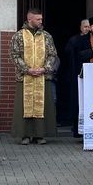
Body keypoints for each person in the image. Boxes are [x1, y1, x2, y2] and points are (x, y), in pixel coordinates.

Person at [10, 8, 58, 145]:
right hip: (25, 78)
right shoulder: (19, 36)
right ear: (30, 19)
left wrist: (44, 68)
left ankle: (40, 135)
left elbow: (52, 54)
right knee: (24, 107)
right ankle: (25, 135)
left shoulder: (46, 36)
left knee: (42, 106)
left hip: (43, 77)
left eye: (41, 19)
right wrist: (27, 69)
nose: (41, 21)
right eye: (38, 19)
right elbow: (14, 55)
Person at [57, 18, 90, 128]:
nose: (87, 29)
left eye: (89, 27)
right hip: (75, 73)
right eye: (85, 27)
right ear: (80, 28)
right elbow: (68, 56)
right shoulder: (74, 40)